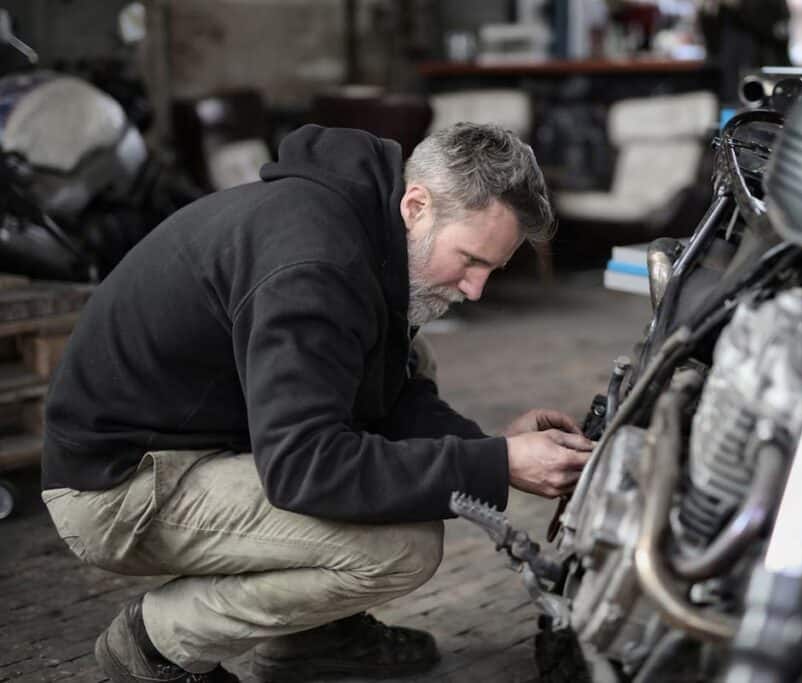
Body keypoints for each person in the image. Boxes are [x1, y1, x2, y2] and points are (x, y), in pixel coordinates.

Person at [40, 123, 594, 683]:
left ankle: (312, 637)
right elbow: (306, 467)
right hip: (118, 488)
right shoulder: (315, 267)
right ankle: (156, 642)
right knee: (401, 546)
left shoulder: (362, 226)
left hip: (200, 436)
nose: (476, 289)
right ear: (417, 205)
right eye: (471, 260)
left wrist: (495, 449)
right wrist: (498, 466)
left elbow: (391, 399)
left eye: (492, 270)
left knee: (411, 359)